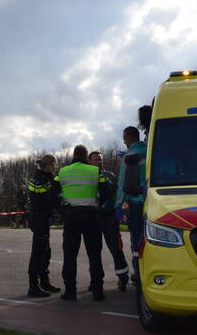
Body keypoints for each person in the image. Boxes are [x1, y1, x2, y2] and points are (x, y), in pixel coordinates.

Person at [55, 144, 112, 301]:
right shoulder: (95, 171)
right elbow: (107, 192)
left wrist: (62, 208)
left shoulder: (62, 171)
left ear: (73, 155)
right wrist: (98, 204)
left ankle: (70, 292)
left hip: (71, 216)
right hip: (91, 215)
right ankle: (97, 291)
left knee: (70, 255)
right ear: (87, 156)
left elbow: (52, 193)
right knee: (94, 254)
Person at [89, 151, 131, 292]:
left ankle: (123, 277)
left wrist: (117, 207)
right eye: (96, 160)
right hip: (93, 219)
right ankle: (96, 281)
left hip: (109, 218)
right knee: (94, 251)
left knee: (115, 247)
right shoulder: (86, 177)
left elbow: (119, 192)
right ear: (89, 161)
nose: (99, 162)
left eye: (100, 160)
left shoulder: (110, 176)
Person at [25, 154, 62, 297]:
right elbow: (49, 200)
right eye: (54, 164)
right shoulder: (40, 180)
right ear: (49, 165)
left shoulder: (45, 178)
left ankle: (44, 282)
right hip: (39, 219)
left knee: (46, 252)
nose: (56, 167)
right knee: (38, 253)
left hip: (43, 218)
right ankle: (33, 286)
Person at [117, 124, 148, 285]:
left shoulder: (129, 156)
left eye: (124, 140)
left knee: (136, 239)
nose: (124, 143)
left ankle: (138, 272)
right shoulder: (151, 151)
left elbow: (123, 183)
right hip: (153, 203)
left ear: (129, 138)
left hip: (135, 204)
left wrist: (118, 205)